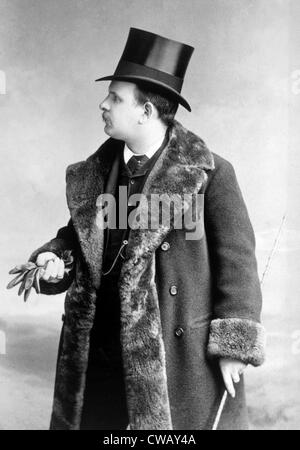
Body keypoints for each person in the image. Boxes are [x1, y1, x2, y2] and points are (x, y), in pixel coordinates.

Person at [27, 28, 265, 430]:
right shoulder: (95, 174)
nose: (103, 104)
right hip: (98, 361)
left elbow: (238, 264)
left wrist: (234, 348)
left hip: (175, 366)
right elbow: (77, 241)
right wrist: (53, 257)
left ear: (146, 112)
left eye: (116, 98)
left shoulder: (211, 175)